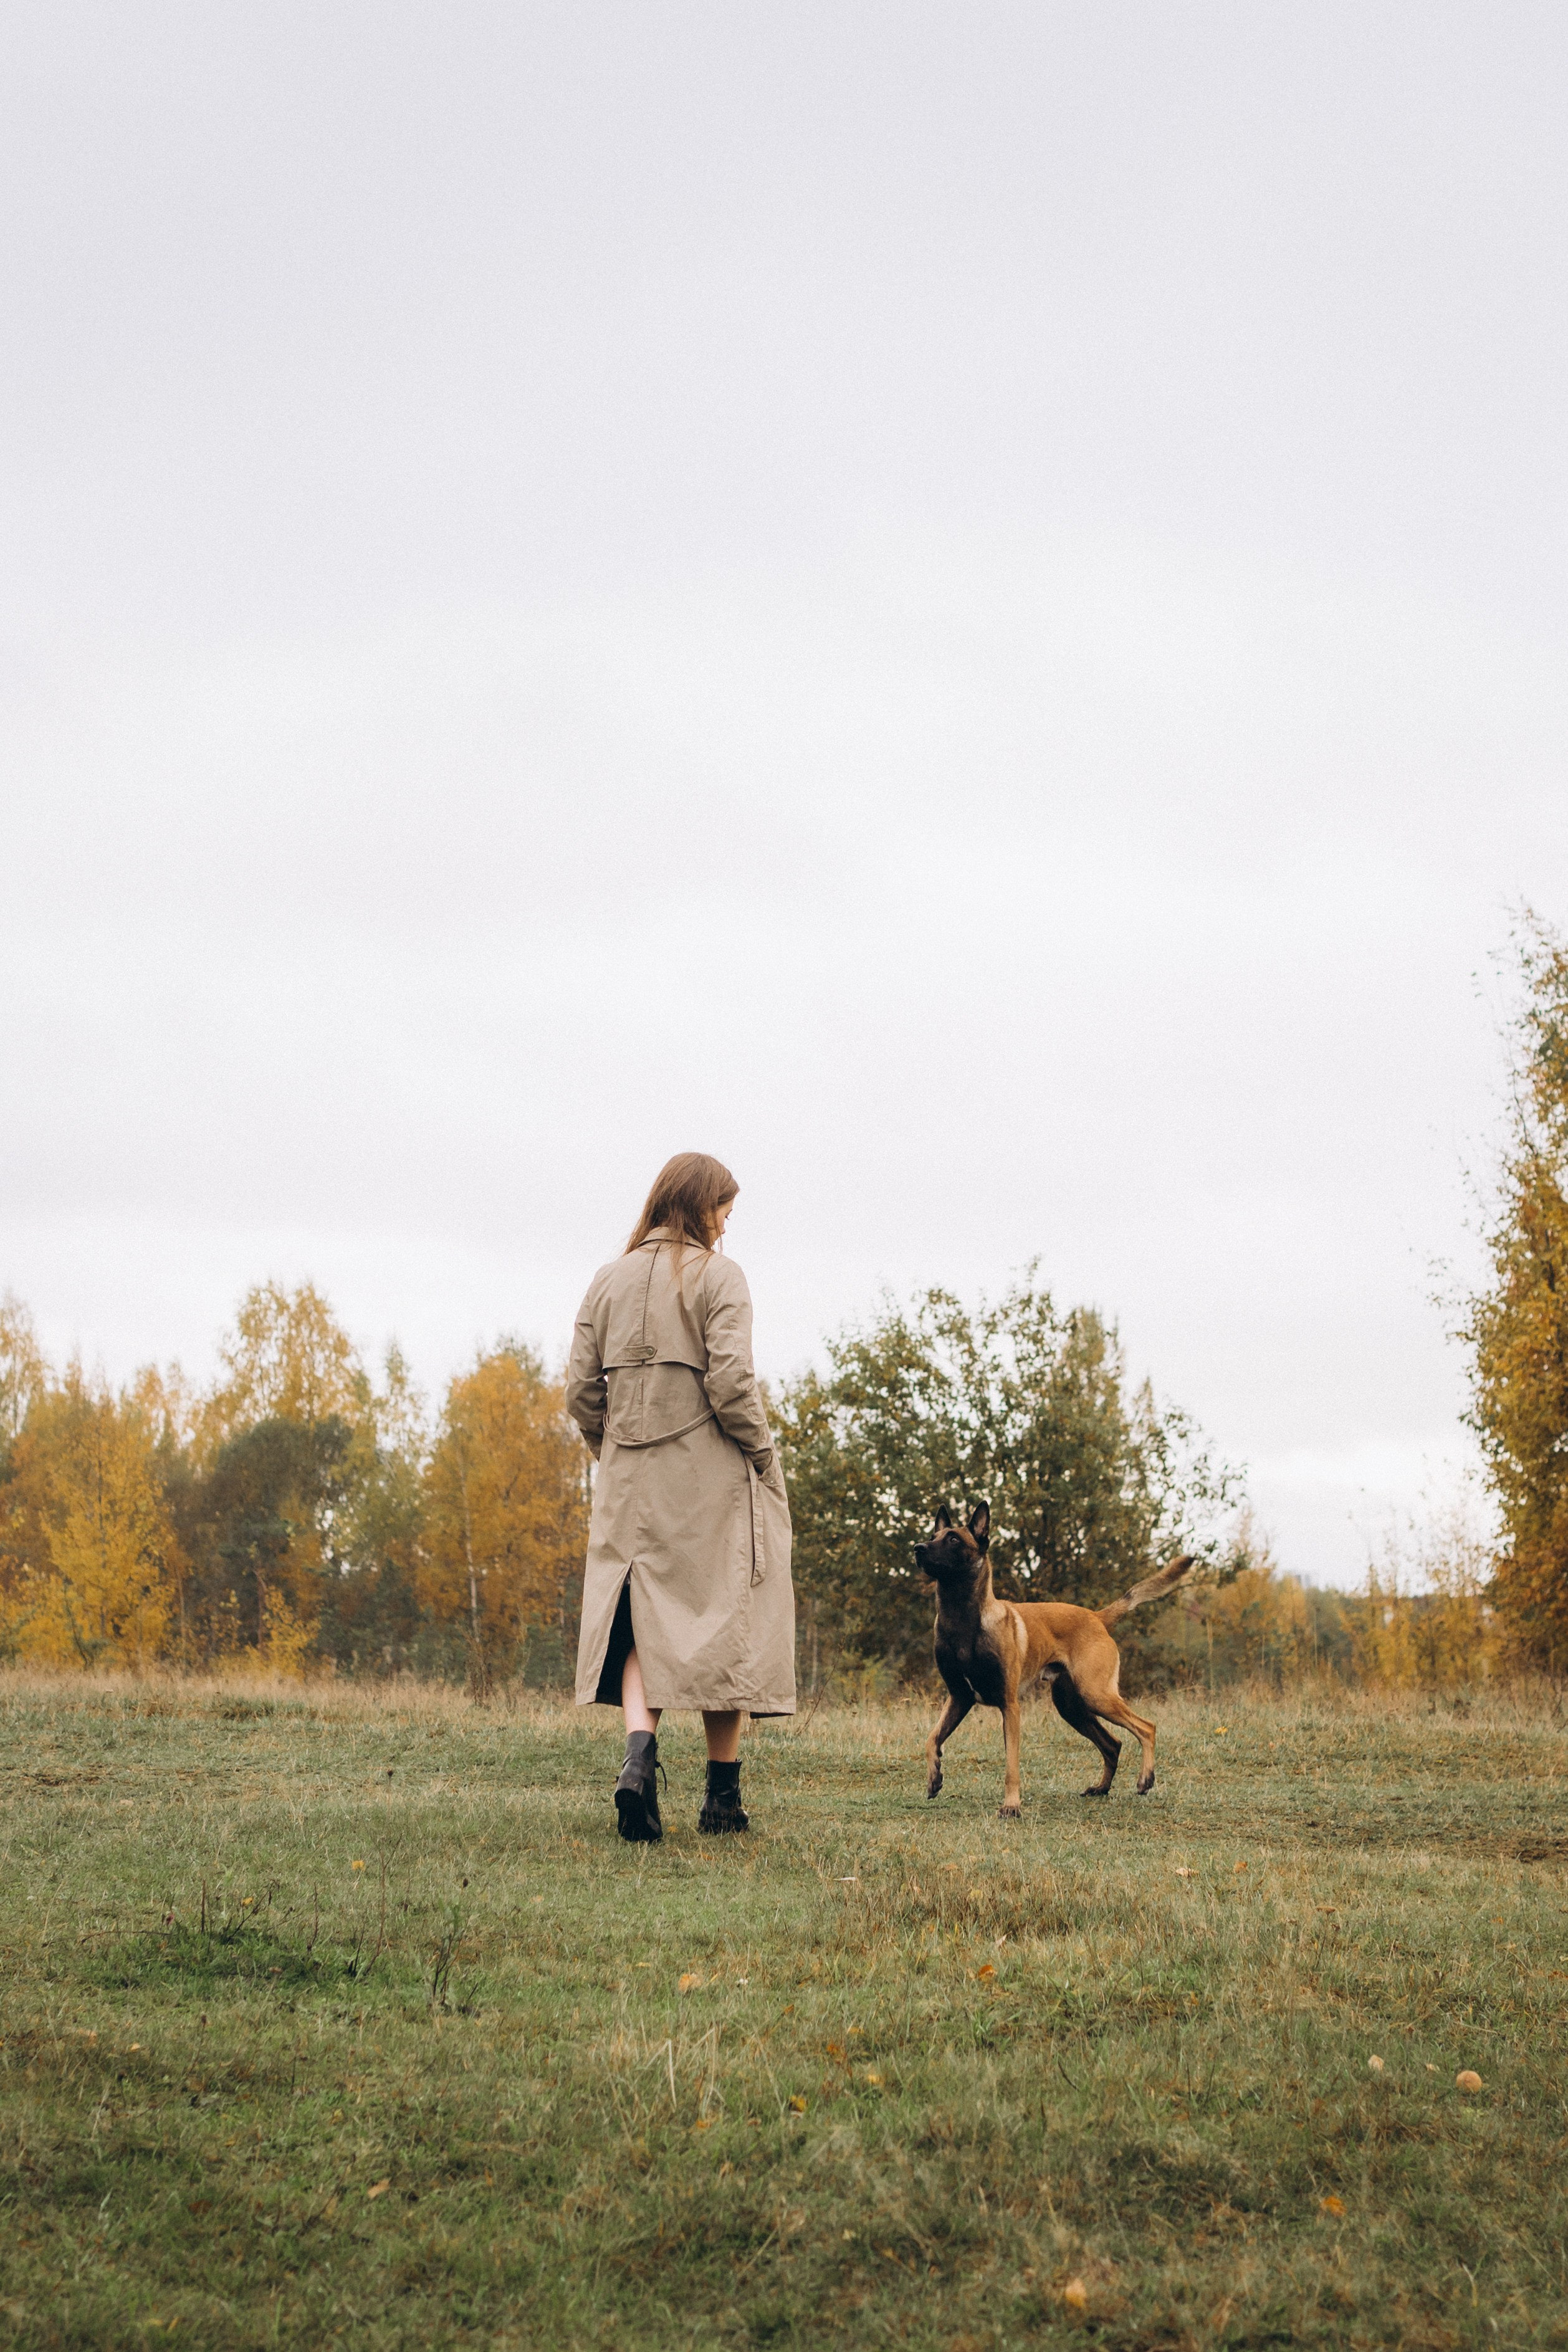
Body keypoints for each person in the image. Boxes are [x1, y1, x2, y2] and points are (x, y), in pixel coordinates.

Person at [566, 1152, 795, 1841]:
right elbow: (730, 1385)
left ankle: (638, 1762)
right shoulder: (719, 1277)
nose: (726, 1226)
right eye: (723, 1209)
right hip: (708, 1480)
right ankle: (720, 1799)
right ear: (698, 1205)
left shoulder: (606, 1280)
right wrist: (762, 1452)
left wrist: (610, 1445)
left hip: (627, 1485)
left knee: (641, 1621)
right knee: (724, 1617)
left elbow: (579, 1394)